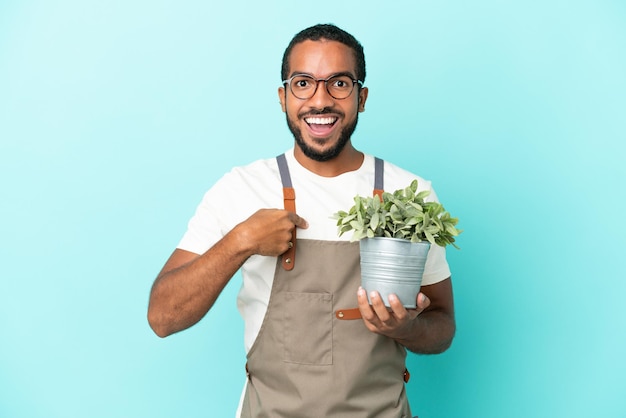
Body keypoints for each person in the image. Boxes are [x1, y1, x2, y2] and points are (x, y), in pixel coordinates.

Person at [148, 23, 455, 418]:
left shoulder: (409, 195)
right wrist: (240, 241)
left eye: (339, 84)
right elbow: (162, 317)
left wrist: (406, 329)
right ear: (283, 97)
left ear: (361, 98)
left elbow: (443, 325)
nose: (320, 100)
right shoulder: (241, 188)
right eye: (303, 83)